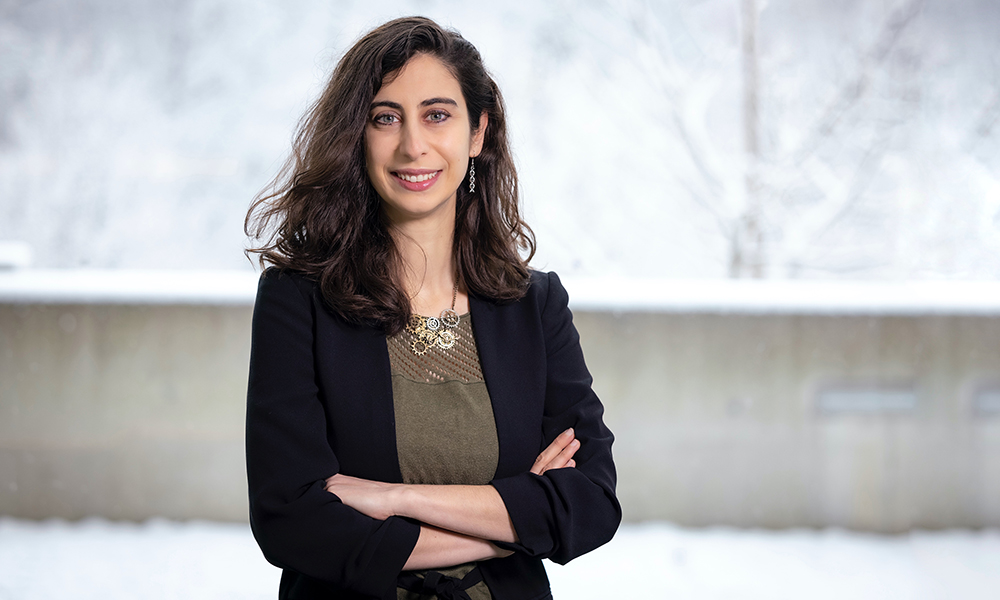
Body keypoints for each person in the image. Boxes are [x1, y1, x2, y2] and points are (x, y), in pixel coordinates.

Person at [244, 16, 620, 600]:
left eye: (437, 115)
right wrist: (512, 524)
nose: (412, 144)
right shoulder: (298, 302)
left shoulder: (535, 305)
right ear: (357, 136)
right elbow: (292, 521)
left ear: (478, 133)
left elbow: (591, 502)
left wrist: (398, 499)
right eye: (385, 117)